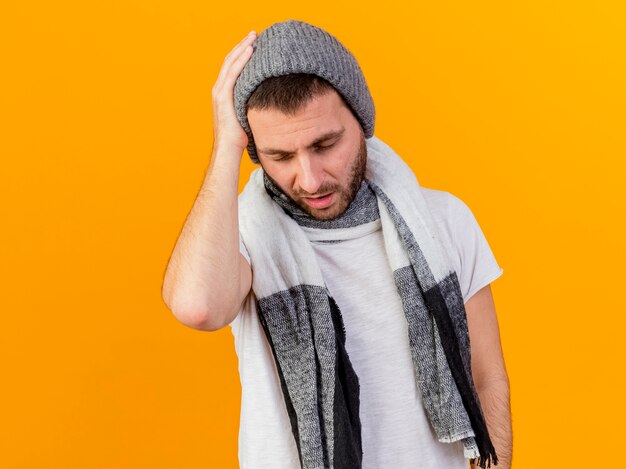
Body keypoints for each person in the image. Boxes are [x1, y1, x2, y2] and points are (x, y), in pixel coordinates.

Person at [162, 19, 512, 469]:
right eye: (280, 156)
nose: (309, 179)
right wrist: (225, 146)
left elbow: (486, 377)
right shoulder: (242, 236)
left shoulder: (442, 221)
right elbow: (197, 307)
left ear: (361, 121)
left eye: (325, 144)